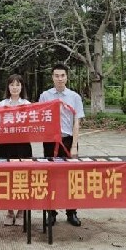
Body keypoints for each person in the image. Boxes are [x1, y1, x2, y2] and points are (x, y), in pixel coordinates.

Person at [39, 63, 85, 227]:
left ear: (67, 77)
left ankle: (71, 212)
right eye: (56, 76)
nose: (60, 79)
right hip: (50, 141)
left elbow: (76, 123)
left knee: (71, 177)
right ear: (52, 77)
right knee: (50, 177)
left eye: (62, 75)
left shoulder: (74, 97)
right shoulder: (45, 96)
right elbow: (40, 118)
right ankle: (51, 213)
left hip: (68, 140)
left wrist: (74, 145)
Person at [0, 74, 32, 226]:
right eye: (12, 85)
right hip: (5, 145)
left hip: (22, 145)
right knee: (6, 178)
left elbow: (33, 125)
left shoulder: (27, 104)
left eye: (18, 84)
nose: (15, 87)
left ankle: (21, 211)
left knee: (22, 177)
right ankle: (10, 211)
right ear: (8, 87)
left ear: (22, 87)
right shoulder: (2, 104)